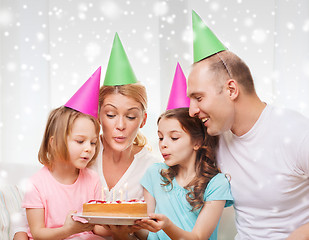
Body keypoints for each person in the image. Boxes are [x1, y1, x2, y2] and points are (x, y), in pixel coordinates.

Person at [187, 10, 309, 240]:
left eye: (199, 97)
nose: (192, 110)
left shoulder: (295, 132)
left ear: (231, 90)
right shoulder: (215, 136)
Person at [90, 33, 160, 239]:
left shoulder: (152, 168)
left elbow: (154, 235)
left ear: (143, 120)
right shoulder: (84, 155)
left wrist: (133, 228)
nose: (120, 126)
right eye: (111, 115)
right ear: (99, 115)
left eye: (130, 116)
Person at [22, 68, 106, 239]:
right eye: (80, 141)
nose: (89, 148)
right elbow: (38, 234)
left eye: (93, 143)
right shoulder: (36, 184)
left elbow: (98, 229)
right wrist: (68, 230)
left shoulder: (92, 179)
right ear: (54, 143)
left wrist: (121, 226)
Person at [135, 107, 233, 240]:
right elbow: (147, 233)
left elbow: (198, 237)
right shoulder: (155, 174)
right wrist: (128, 228)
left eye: (174, 138)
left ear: (197, 142)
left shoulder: (216, 183)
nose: (163, 144)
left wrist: (167, 225)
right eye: (161, 137)